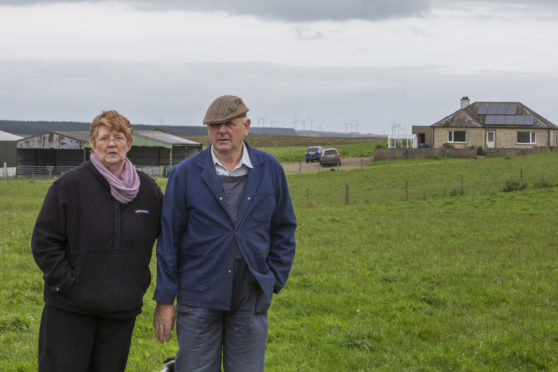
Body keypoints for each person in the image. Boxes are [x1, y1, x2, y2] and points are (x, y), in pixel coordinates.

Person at [153, 95, 297, 371]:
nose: (221, 131)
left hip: (249, 293)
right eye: (214, 125)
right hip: (198, 293)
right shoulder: (185, 174)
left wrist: (273, 278)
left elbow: (284, 228)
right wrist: (165, 299)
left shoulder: (270, 170)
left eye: (229, 124)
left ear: (247, 125)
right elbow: (168, 240)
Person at [31, 110, 163, 372]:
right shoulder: (68, 186)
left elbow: (167, 239)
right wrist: (70, 284)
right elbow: (44, 242)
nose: (111, 143)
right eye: (103, 138)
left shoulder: (148, 191)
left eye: (118, 137)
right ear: (92, 144)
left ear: (129, 142)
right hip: (70, 309)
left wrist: (137, 285)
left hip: (120, 310)